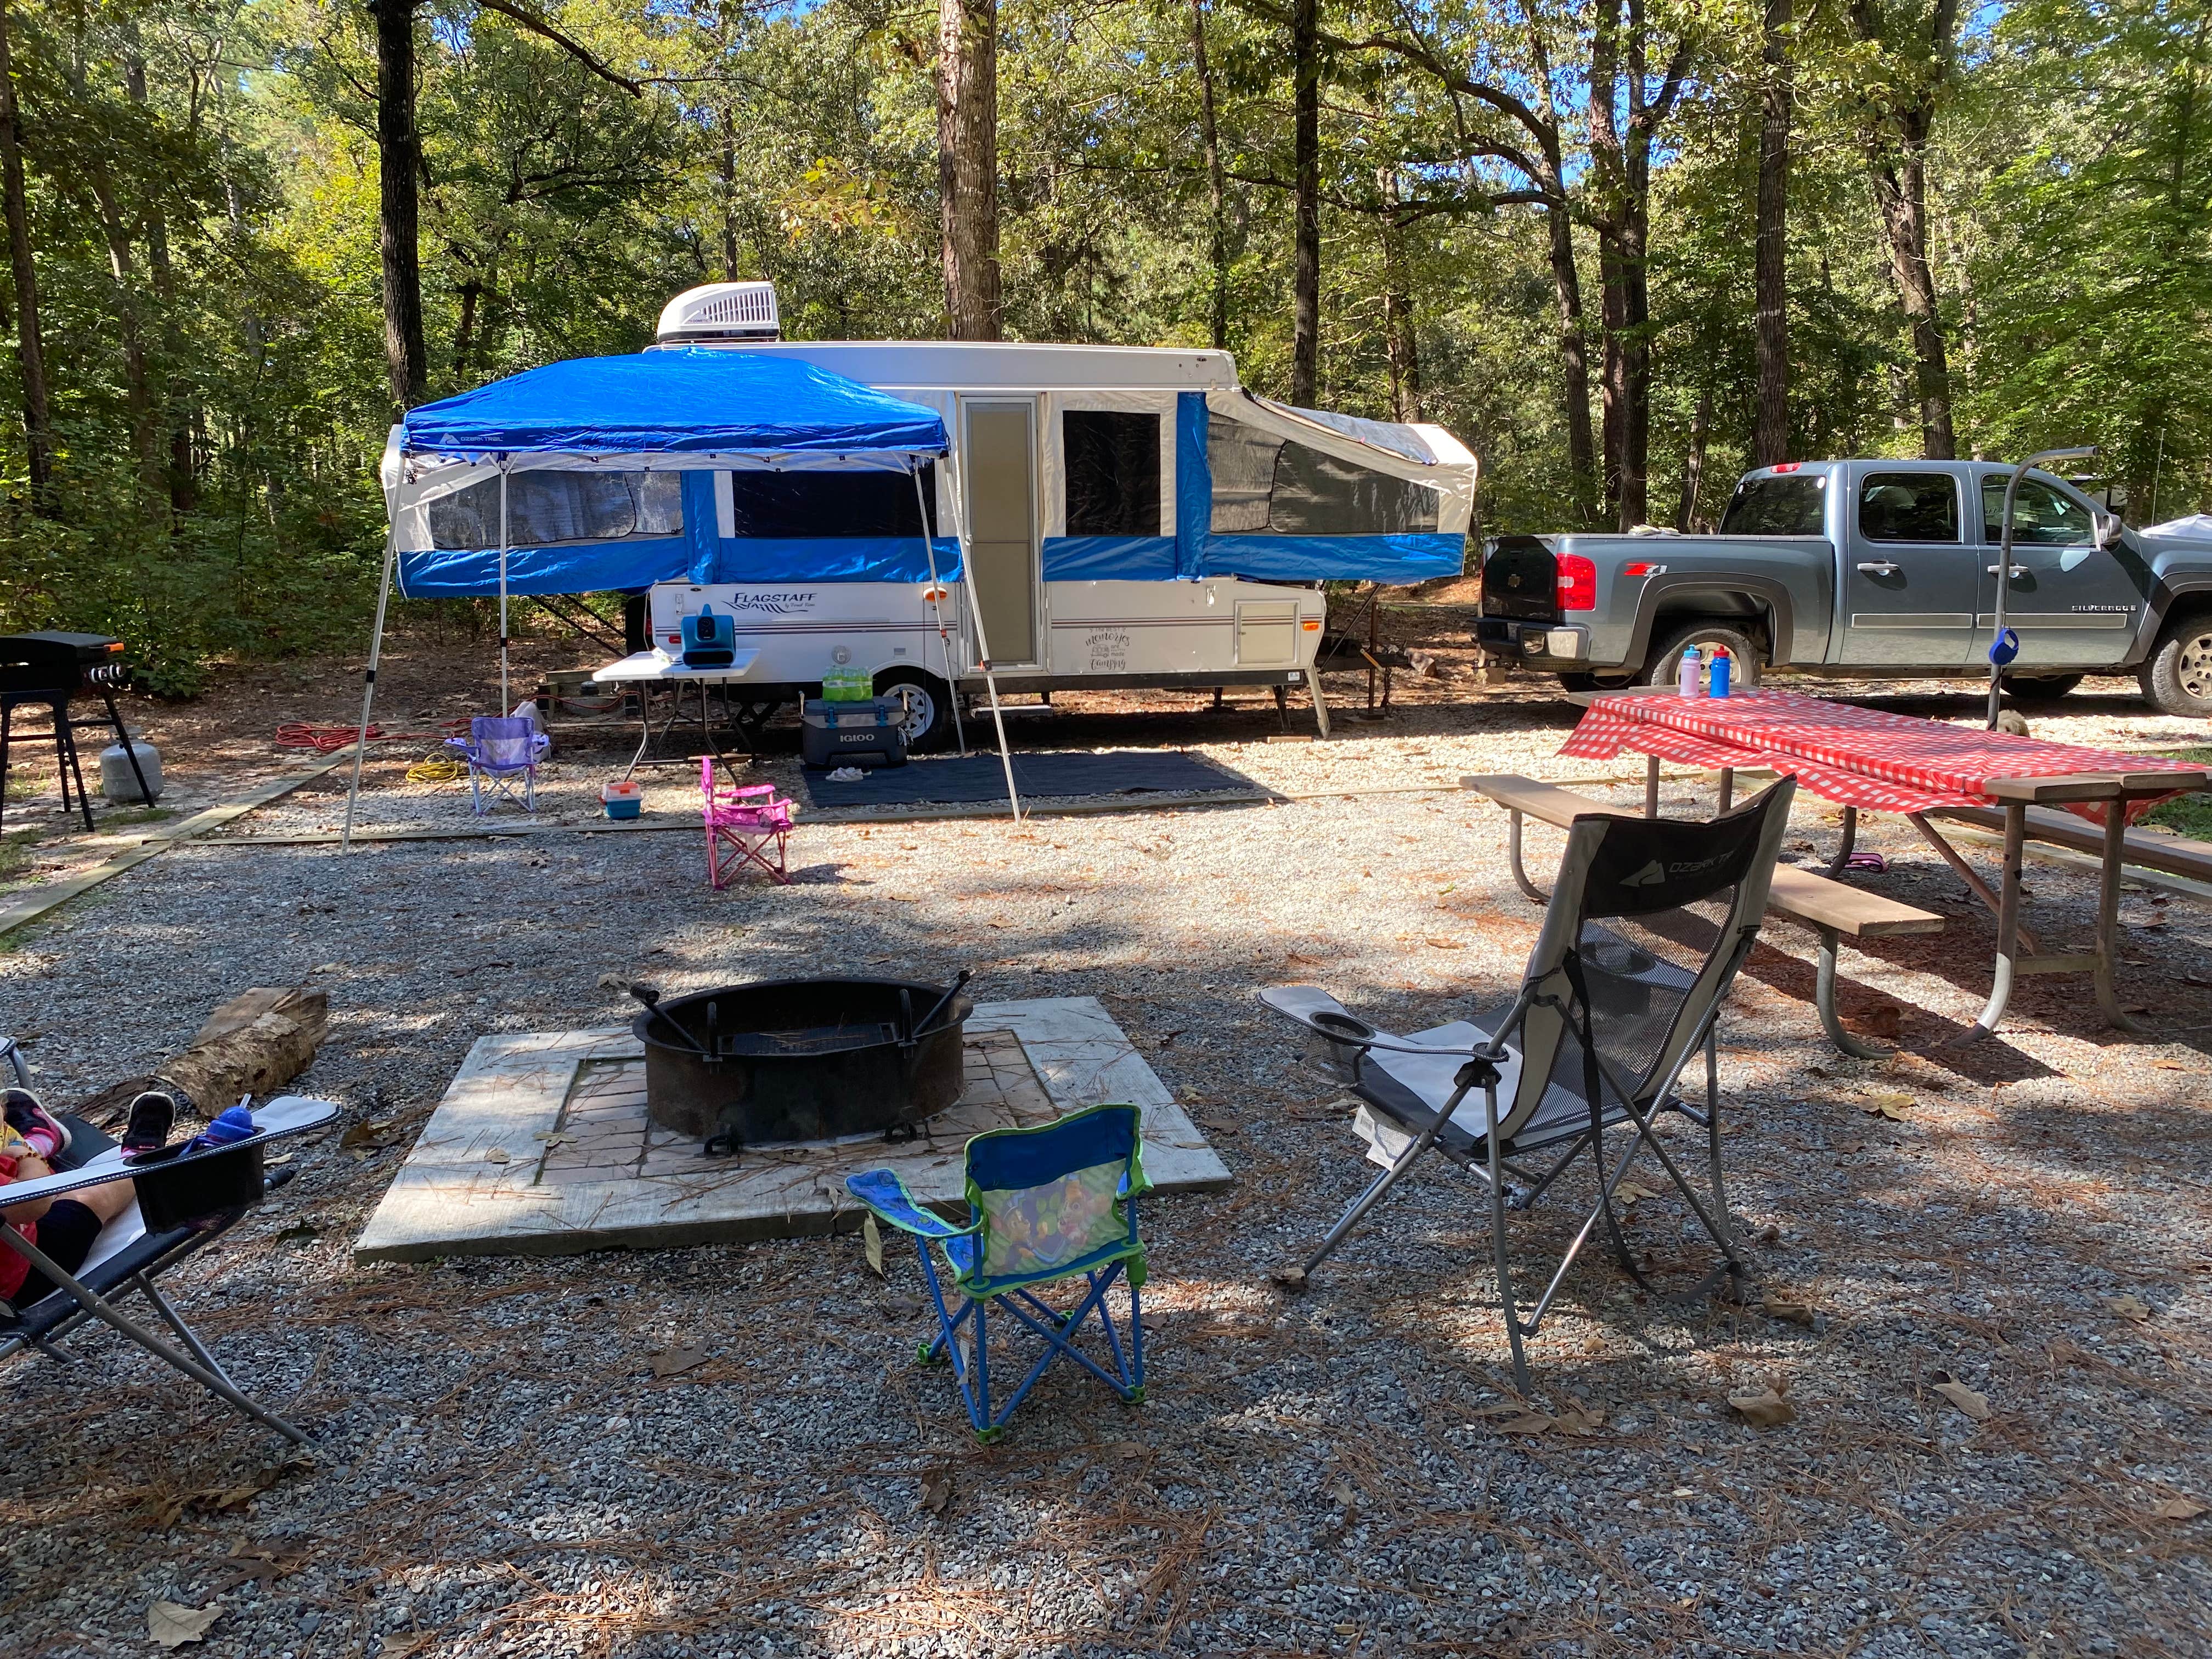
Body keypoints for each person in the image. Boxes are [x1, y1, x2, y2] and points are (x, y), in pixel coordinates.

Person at [0, 1088, 173, 1316]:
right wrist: (26, 1157)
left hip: (14, 1232)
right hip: (28, 1274)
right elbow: (35, 1201)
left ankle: (43, 1140)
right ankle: (138, 1162)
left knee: (11, 1157)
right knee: (92, 1197)